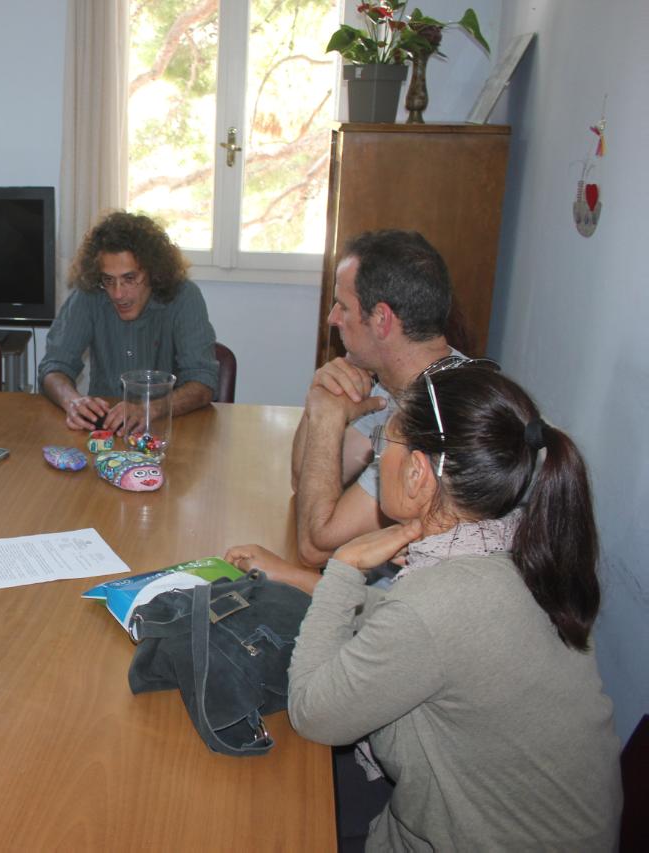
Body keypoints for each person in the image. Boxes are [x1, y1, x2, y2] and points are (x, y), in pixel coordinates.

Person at [229, 364, 622, 850]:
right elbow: (413, 631)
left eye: (383, 446)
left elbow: (312, 713)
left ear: (417, 473)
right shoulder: (515, 544)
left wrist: (345, 568)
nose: (376, 459)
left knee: (259, 808)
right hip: (525, 827)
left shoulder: (437, 601)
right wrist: (295, 576)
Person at [291, 229, 464, 567]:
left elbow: (315, 544)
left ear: (382, 320)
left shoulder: (434, 418)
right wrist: (320, 398)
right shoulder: (395, 384)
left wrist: (327, 417)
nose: (332, 319)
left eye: (342, 307)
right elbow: (304, 481)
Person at [39, 210, 219, 433]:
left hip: (169, 428)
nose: (117, 293)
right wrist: (72, 401)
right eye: (108, 280)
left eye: (129, 278)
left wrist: (150, 409)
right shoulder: (89, 295)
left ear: (153, 272)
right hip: (104, 431)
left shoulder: (184, 297)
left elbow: (203, 382)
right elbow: (54, 366)